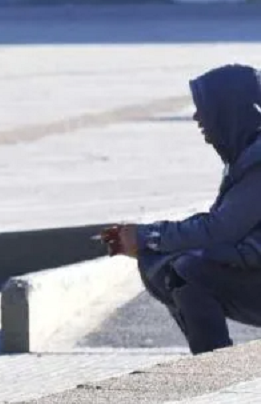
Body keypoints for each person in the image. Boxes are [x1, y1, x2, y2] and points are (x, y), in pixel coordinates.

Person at [102, 64, 261, 355]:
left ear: (230, 111)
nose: (198, 118)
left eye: (207, 109)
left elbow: (219, 231)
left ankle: (212, 373)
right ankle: (209, 366)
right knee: (167, 263)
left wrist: (148, 237)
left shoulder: (258, 163)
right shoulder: (248, 155)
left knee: (186, 270)